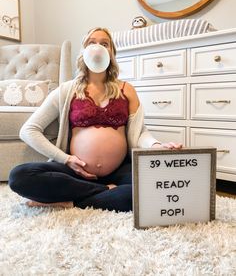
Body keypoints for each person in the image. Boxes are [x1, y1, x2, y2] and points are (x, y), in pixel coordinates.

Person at [9, 27, 182, 212]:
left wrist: (156, 146)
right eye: (92, 43)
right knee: (19, 176)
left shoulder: (126, 90)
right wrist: (66, 159)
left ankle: (73, 201)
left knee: (155, 185)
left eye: (104, 43)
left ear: (111, 53)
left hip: (119, 171)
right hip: (76, 173)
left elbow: (139, 133)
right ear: (84, 52)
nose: (98, 47)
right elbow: (28, 130)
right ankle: (104, 192)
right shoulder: (67, 90)